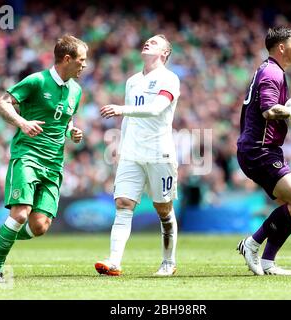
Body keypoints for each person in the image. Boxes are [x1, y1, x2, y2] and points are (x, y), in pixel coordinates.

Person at [0, 35, 87, 283]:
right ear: (67, 59)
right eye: (81, 60)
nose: (85, 65)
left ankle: (3, 234)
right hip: (28, 157)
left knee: (40, 226)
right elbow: (1, 103)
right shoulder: (36, 81)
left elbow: (63, 119)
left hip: (54, 164)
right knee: (21, 214)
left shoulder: (76, 90)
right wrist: (23, 122)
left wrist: (71, 131)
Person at [95, 34, 180, 276]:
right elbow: (130, 122)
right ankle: (114, 262)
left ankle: (168, 262)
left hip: (159, 153)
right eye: (147, 41)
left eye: (154, 43)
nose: (147, 43)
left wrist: (121, 109)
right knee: (123, 204)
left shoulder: (169, 79)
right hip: (131, 153)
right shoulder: (132, 81)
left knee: (163, 209)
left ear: (164, 53)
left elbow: (156, 109)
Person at [236, 26, 291, 276]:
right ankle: (251, 244)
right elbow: (269, 111)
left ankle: (269, 261)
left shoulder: (269, 69)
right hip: (258, 151)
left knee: (290, 205)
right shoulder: (272, 73)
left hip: (263, 150)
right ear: (281, 48)